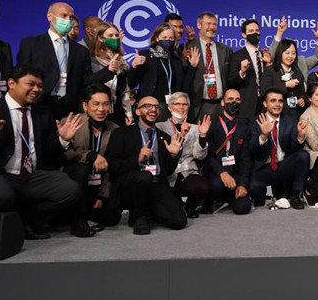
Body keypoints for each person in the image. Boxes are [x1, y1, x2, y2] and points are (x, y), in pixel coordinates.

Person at [0, 65, 82, 239]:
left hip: (30, 176)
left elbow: (50, 154)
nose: (36, 89)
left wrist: (62, 140)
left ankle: (27, 222)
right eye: (30, 84)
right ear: (12, 83)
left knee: (69, 189)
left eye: (40, 86)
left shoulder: (43, 114)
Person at [104, 95, 187, 235]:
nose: (153, 110)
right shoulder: (122, 133)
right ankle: (140, 218)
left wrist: (173, 155)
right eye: (148, 106)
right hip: (130, 184)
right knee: (144, 177)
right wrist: (137, 160)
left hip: (155, 184)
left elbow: (167, 171)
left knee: (179, 221)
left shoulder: (164, 137)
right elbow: (112, 165)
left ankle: (147, 210)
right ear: (137, 111)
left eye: (156, 107)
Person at [16, 2, 112, 119]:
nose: (68, 20)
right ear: (50, 17)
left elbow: (87, 81)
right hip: (39, 105)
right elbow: (22, 77)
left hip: (70, 109)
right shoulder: (31, 44)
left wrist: (109, 70)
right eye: (64, 16)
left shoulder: (81, 51)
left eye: (70, 17)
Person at [62, 84, 120, 236]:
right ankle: (78, 220)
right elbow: (63, 155)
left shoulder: (115, 129)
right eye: (96, 104)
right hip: (74, 178)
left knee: (112, 219)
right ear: (85, 106)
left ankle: (88, 210)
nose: (101, 109)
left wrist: (102, 195)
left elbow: (112, 165)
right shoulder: (71, 122)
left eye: (106, 104)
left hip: (98, 182)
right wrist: (89, 155)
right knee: (82, 168)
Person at [249, 87, 311, 209]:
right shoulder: (255, 121)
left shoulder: (290, 119)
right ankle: (268, 193)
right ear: (265, 103)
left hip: (283, 165)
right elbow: (251, 150)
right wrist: (263, 136)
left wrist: (300, 136)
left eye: (280, 101)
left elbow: (294, 148)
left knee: (303, 155)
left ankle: (295, 195)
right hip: (264, 167)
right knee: (255, 190)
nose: (277, 104)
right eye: (273, 101)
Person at [156, 93, 212, 219]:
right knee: (171, 208)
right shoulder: (160, 127)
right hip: (169, 174)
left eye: (185, 104)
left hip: (188, 172)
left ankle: (190, 206)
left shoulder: (196, 128)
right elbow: (162, 153)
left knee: (202, 186)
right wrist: (181, 134)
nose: (181, 107)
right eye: (177, 104)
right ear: (169, 107)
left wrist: (202, 136)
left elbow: (200, 156)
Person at [128, 22, 198, 120]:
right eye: (164, 37)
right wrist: (134, 66)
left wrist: (192, 67)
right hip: (151, 107)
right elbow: (131, 83)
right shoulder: (146, 55)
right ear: (157, 38)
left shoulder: (176, 58)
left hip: (173, 108)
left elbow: (184, 86)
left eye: (171, 38)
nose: (167, 40)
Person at [203, 88, 254, 215]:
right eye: (230, 99)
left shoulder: (244, 128)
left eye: (237, 100)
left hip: (234, 174)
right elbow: (208, 156)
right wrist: (222, 172)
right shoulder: (212, 125)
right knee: (217, 185)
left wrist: (242, 184)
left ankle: (230, 198)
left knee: (243, 208)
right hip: (215, 173)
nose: (233, 102)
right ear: (222, 102)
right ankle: (210, 199)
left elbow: (245, 159)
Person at [185, 12, 233, 122]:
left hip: (221, 106)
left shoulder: (225, 50)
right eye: (208, 24)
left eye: (214, 24)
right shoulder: (188, 48)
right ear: (199, 25)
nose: (212, 27)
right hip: (198, 106)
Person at [90, 22, 133, 126]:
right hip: (98, 109)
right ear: (101, 38)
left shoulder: (121, 61)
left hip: (117, 110)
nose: (115, 38)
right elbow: (89, 82)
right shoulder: (92, 59)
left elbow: (125, 90)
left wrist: (128, 113)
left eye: (117, 35)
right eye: (110, 35)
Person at [228, 18, 264, 120]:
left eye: (257, 31)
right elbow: (230, 82)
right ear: (244, 34)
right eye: (251, 31)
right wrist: (242, 72)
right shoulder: (237, 56)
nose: (255, 33)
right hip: (246, 107)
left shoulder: (264, 55)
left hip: (264, 106)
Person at [260, 38, 306, 116]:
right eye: (287, 53)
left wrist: (302, 100)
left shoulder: (297, 72)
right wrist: (285, 85)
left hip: (294, 114)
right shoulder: (270, 70)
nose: (290, 56)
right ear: (280, 53)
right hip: (275, 113)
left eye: (293, 53)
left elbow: (302, 93)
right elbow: (265, 90)